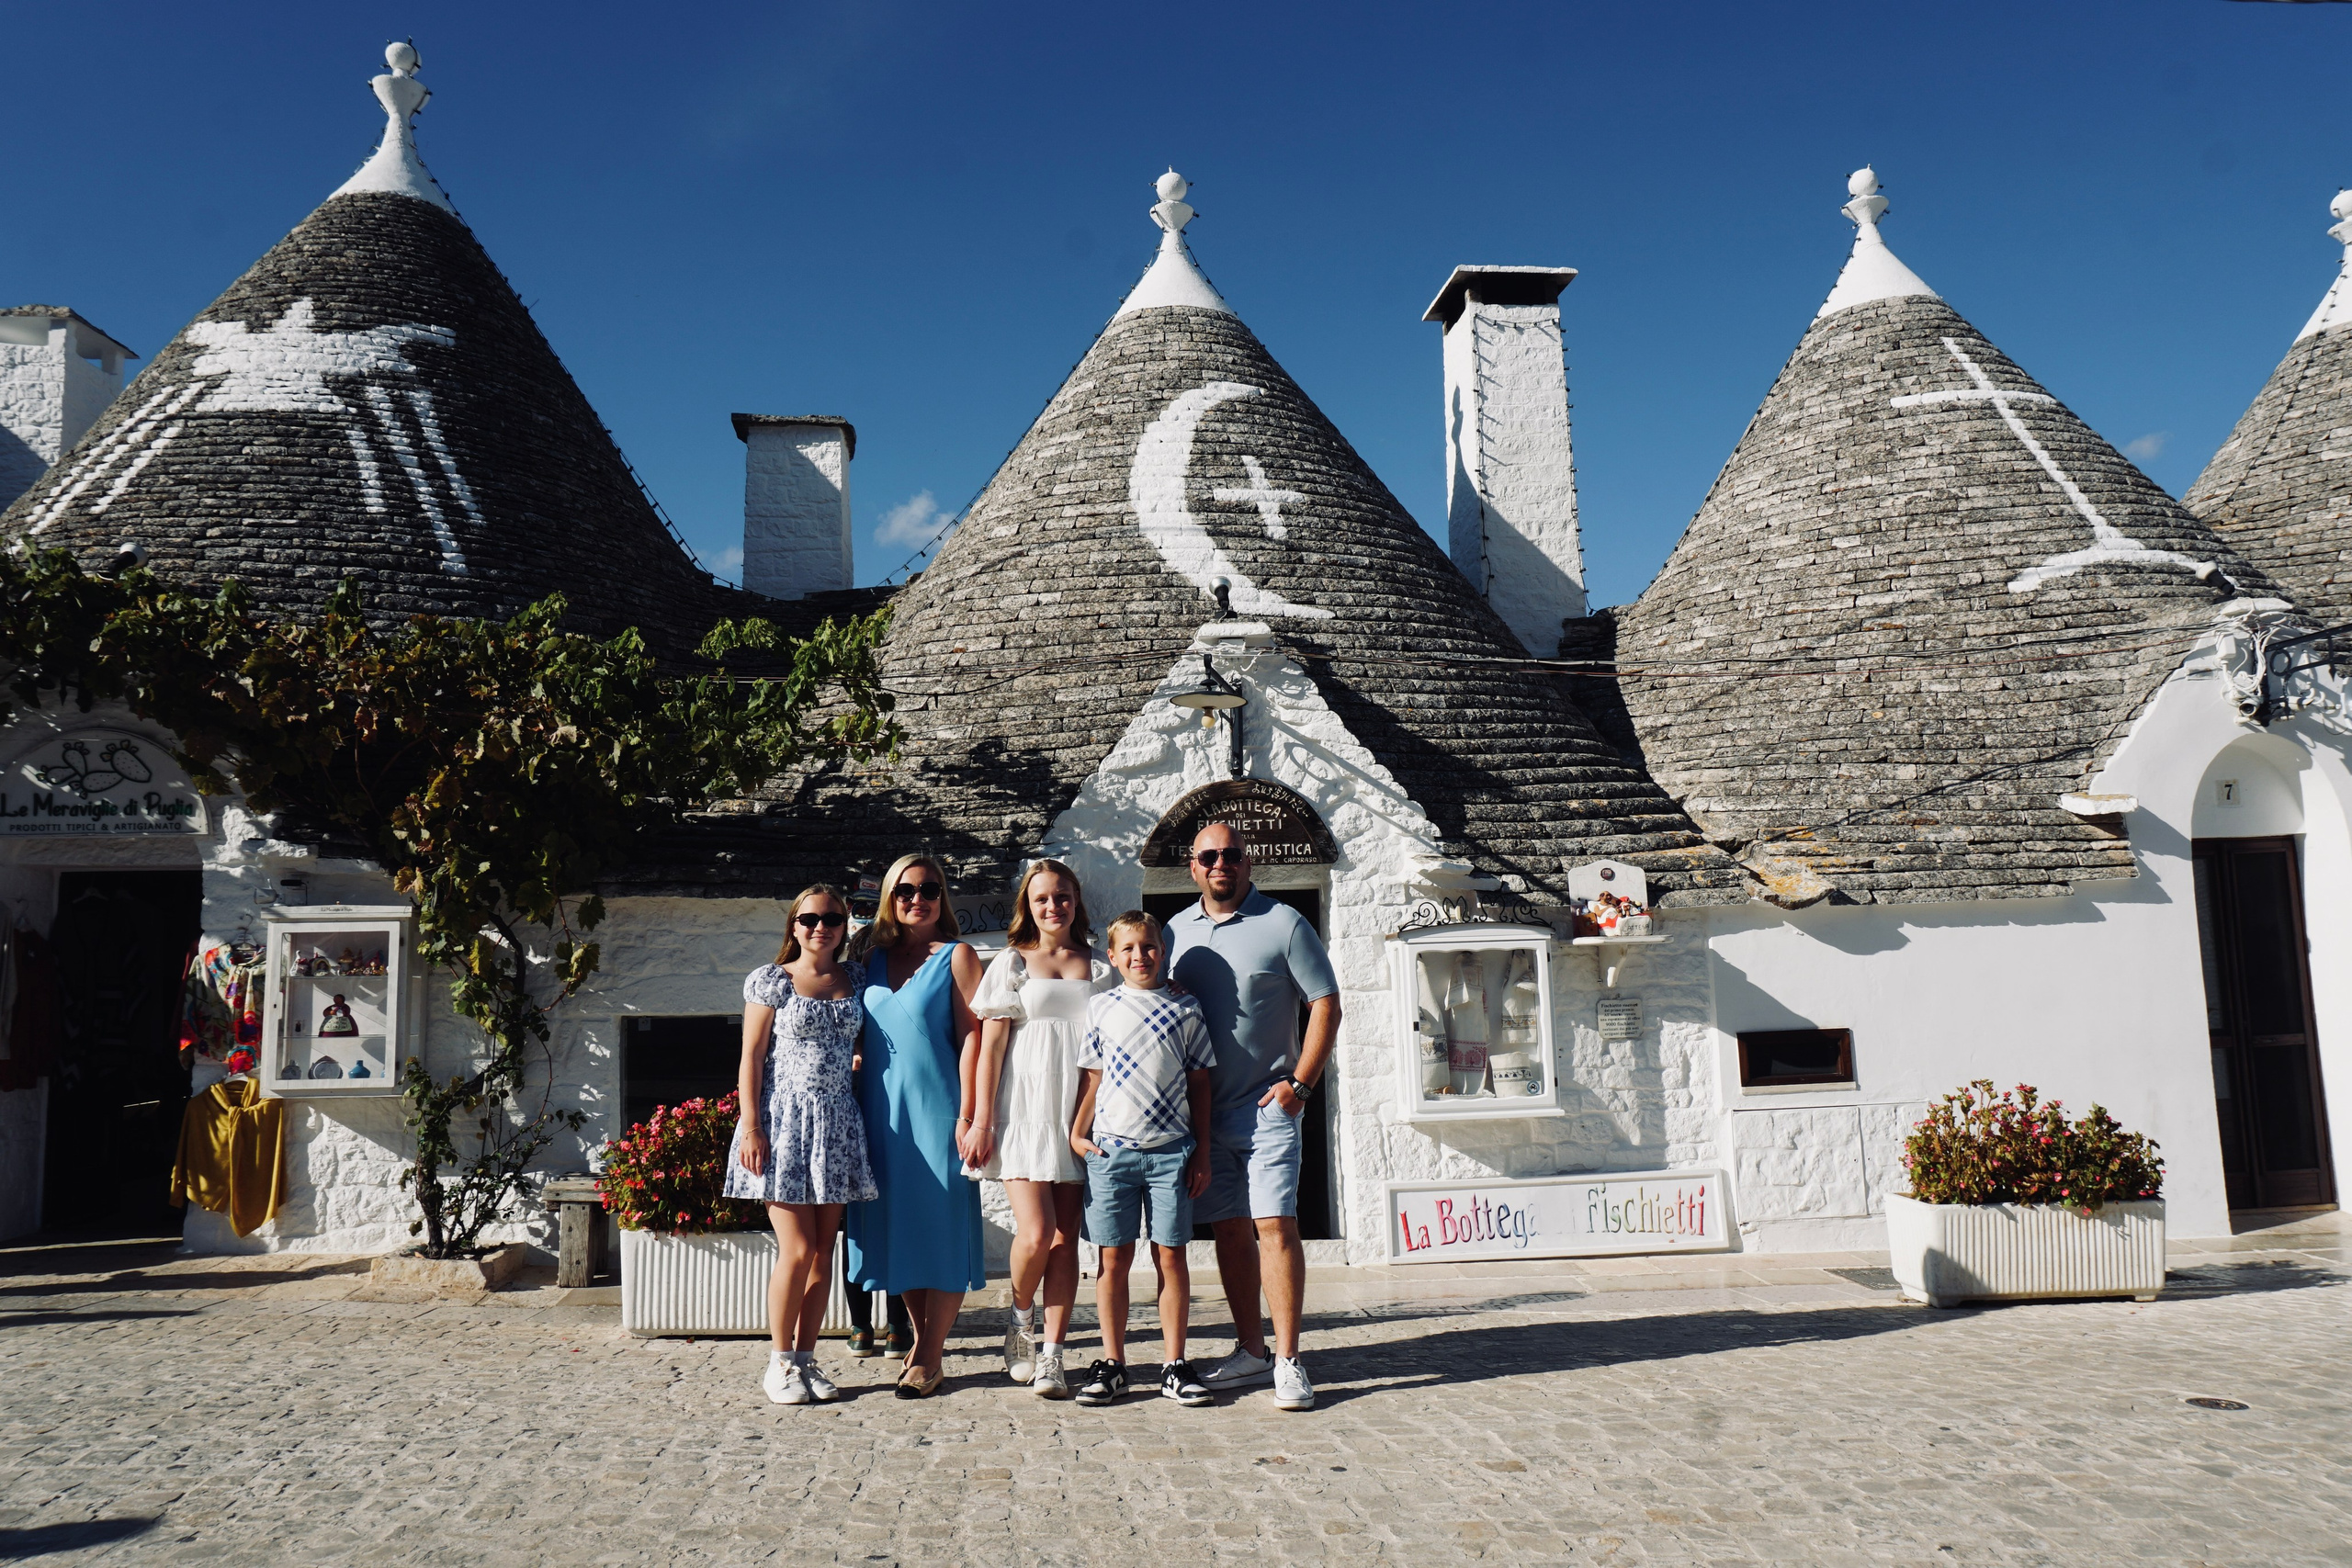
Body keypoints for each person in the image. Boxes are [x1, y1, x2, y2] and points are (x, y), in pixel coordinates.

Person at [1163, 822, 1340, 1413]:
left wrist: (1300, 1084)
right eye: (1209, 856)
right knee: (1229, 1230)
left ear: (1247, 862)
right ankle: (1250, 1349)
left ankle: (1289, 1362)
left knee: (1275, 1226)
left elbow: (1326, 1003)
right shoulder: (1174, 933)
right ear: (1193, 867)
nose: (1221, 865)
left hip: (1270, 1106)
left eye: (1231, 855)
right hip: (1204, 1113)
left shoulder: (1285, 922)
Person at [962, 859, 1116, 1399]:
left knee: (1065, 1239)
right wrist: (981, 1120)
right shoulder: (1011, 964)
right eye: (1042, 898)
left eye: (1063, 896)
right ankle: (1020, 1317)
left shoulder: (1100, 968)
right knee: (1035, 1233)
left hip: (1079, 1113)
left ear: (1077, 901)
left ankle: (1052, 1354)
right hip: (1023, 1110)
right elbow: (990, 1049)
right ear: (1028, 905)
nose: (1054, 906)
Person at [724, 885, 876, 1406]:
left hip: (837, 1123)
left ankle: (807, 1360)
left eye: (831, 918)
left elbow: (862, 1043)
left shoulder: (855, 977)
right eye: (809, 918)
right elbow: (751, 1057)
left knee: (823, 1253)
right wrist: (751, 1127)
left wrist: (856, 1059)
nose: (820, 926)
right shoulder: (771, 980)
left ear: (844, 924)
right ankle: (779, 1362)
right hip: (784, 1121)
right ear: (793, 924)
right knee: (796, 1249)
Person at [845, 853, 989, 1399]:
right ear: (889, 894)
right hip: (881, 1114)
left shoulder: (958, 956)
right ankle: (925, 1341)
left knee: (943, 1225)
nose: (917, 898)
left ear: (941, 896)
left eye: (929, 888)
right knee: (899, 1227)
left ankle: (929, 1354)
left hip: (939, 1111)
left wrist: (972, 1114)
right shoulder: (870, 958)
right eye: (905, 889)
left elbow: (976, 1037)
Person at [1069, 910, 1216, 1408]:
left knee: (1171, 1256)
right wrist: (1077, 1131)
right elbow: (1093, 1077)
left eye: (1149, 946)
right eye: (1128, 949)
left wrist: (1203, 1151)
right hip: (1112, 1153)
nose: (1140, 956)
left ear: (1163, 950)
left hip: (1172, 1151)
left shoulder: (1186, 1008)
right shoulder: (1101, 1007)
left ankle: (1175, 1364)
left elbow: (1200, 1083)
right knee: (1113, 1259)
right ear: (1112, 957)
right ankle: (1113, 1364)